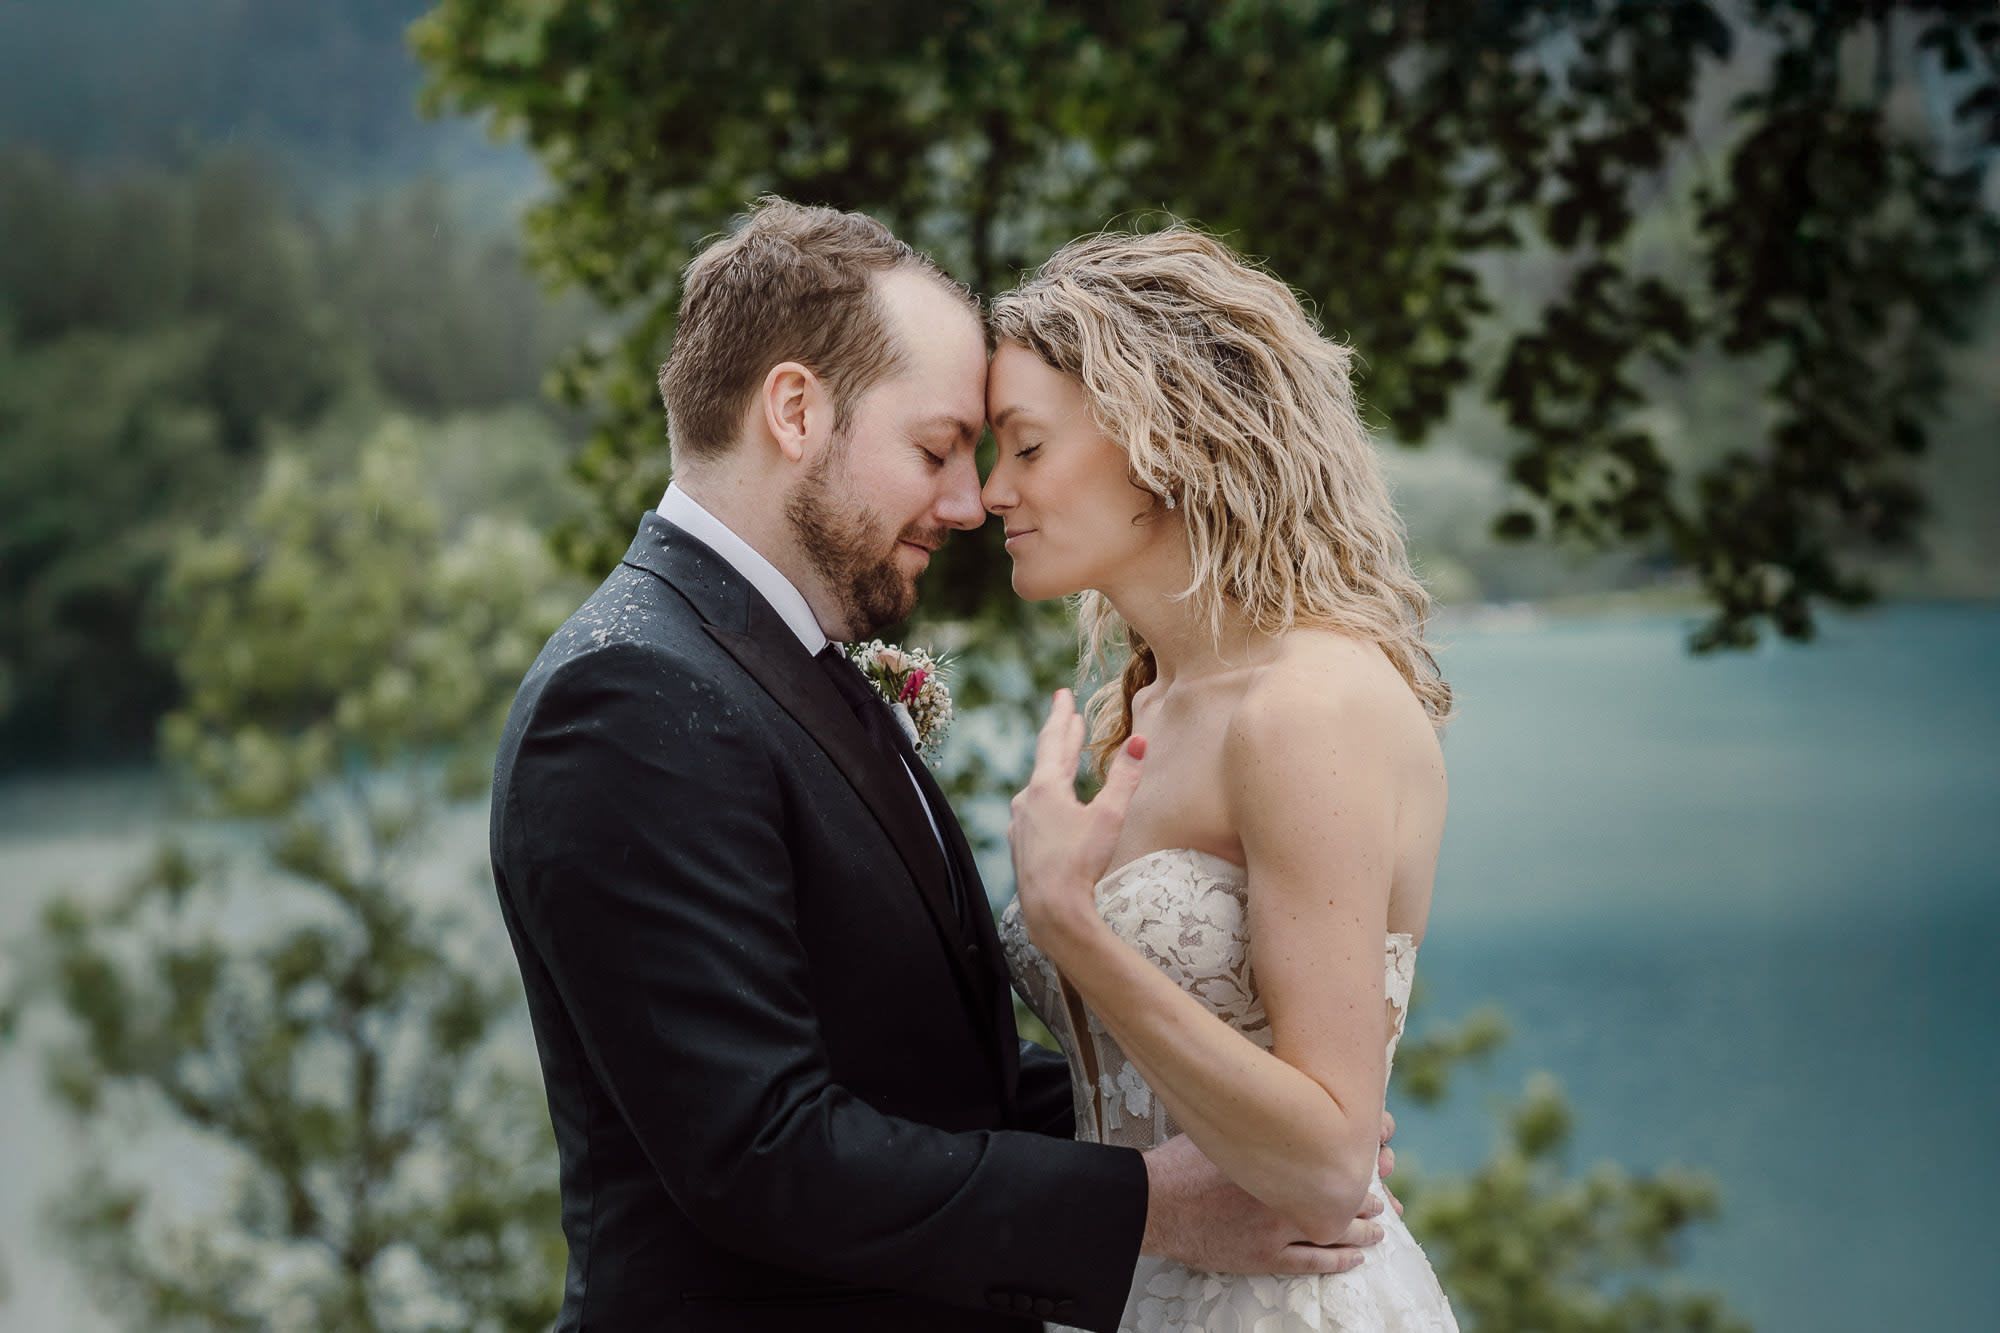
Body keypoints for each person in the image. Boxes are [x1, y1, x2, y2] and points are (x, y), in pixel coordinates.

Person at [488, 198, 1397, 1332]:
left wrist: (1209, 1114)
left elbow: (924, 1075)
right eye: (934, 451)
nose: (970, 503)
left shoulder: (770, 661)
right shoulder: (627, 694)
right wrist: (1146, 1205)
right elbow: (761, 1150)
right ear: (793, 409)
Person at [985, 226, 1460, 1331]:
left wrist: (1071, 921)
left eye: (1023, 447)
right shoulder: (1146, 706)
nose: (990, 493)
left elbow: (1327, 1162)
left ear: (1159, 438)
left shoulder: (1307, 706)